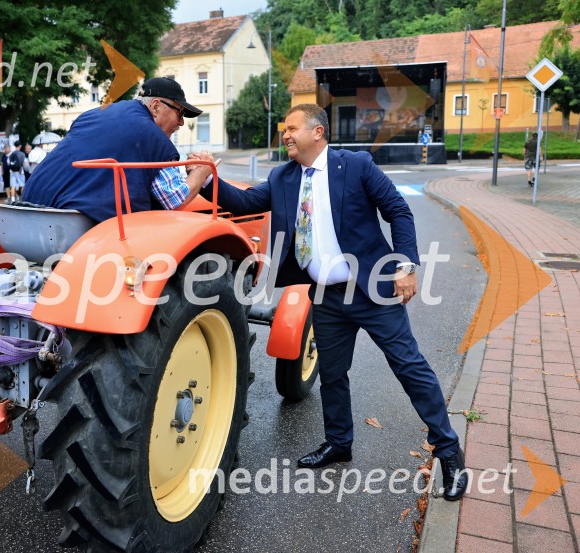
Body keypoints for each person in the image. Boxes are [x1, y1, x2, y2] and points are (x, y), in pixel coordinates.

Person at [199, 104, 468, 501]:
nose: (285, 135)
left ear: (318, 132)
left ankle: (449, 452)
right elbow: (243, 204)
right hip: (324, 296)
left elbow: (398, 211)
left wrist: (406, 264)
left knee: (409, 367)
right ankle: (339, 443)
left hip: (372, 290)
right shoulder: (283, 177)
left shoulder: (355, 166)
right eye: (283, 129)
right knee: (333, 374)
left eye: (292, 128)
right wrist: (207, 179)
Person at [22, 77, 213, 222]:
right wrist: (203, 170)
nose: (181, 122)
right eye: (179, 113)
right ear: (155, 107)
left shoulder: (93, 115)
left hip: (25, 212)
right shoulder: (153, 137)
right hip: (72, 226)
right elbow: (175, 200)